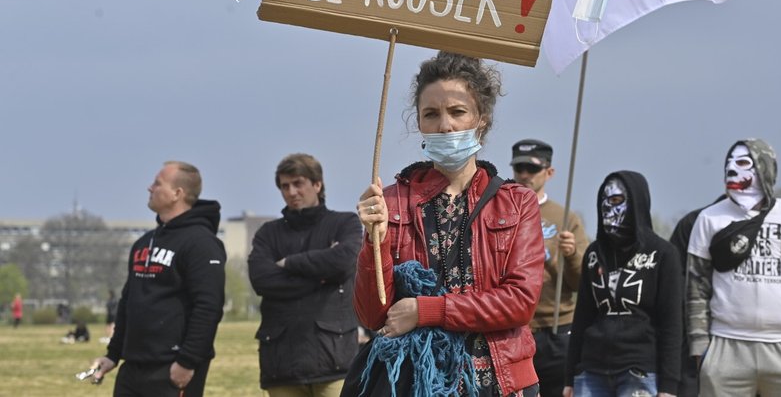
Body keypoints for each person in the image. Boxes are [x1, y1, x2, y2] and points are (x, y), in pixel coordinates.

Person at [354, 51, 545, 396]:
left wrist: (428, 310)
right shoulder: (391, 202)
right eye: (431, 114)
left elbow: (519, 301)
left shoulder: (517, 202)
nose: (445, 125)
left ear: (481, 117)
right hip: (420, 382)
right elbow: (372, 316)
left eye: (457, 112)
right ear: (419, 123)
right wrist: (374, 242)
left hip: (501, 384)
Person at [686, 139, 781, 397]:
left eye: (742, 163)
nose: (732, 169)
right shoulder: (708, 219)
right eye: (728, 163)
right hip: (726, 349)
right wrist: (701, 351)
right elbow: (695, 288)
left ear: (764, 168)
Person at [91, 161, 226, 396]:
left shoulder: (202, 243)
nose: (149, 188)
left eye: (157, 183)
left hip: (174, 368)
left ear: (177, 193)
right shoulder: (144, 243)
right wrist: (113, 354)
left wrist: (186, 362)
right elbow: (128, 300)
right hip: (133, 367)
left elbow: (208, 307)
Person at [248, 153, 362, 397]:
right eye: (285, 186)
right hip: (281, 363)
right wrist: (321, 274)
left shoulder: (345, 223)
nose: (291, 191)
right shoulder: (268, 234)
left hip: (335, 361)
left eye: (298, 183)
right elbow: (261, 279)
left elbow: (343, 263)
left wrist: (289, 263)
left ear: (317, 184)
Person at [564, 171, 683, 397]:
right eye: (603, 201)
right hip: (591, 372)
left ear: (636, 202)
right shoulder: (593, 253)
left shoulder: (663, 254)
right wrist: (570, 376)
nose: (608, 208)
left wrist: (669, 386)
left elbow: (672, 325)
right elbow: (582, 318)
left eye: (617, 200)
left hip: (640, 371)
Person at [510, 139, 588, 397]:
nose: (524, 175)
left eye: (531, 169)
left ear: (549, 172)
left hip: (556, 330)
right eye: (519, 168)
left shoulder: (566, 219)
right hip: (513, 329)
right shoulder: (501, 209)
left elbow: (582, 284)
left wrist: (573, 255)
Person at [668, 195, 724, 397]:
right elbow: (674, 281)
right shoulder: (693, 223)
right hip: (694, 335)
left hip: (746, 337)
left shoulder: (768, 224)